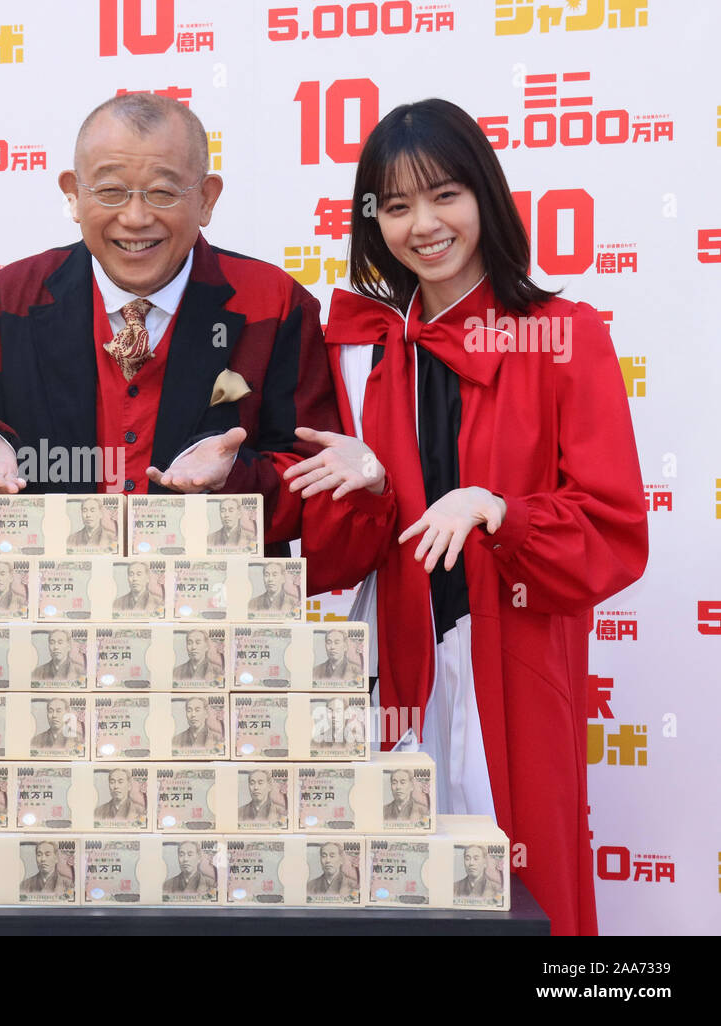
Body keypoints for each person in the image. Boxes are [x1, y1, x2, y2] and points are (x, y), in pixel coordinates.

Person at [285, 99, 647, 935]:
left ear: (485, 195)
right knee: (394, 895)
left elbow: (615, 530)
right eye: (397, 205)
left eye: (444, 195)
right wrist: (371, 488)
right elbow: (333, 562)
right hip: (391, 669)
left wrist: (499, 512)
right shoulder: (357, 353)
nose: (424, 224)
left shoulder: (564, 336)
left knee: (525, 893)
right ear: (373, 222)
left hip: (514, 667)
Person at [0, 93, 394, 582]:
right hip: (48, 608)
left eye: (163, 193)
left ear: (207, 198)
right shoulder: (8, 301)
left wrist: (233, 478)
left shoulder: (272, 304)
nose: (134, 218)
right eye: (109, 191)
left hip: (218, 616)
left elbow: (314, 475)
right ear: (73, 193)